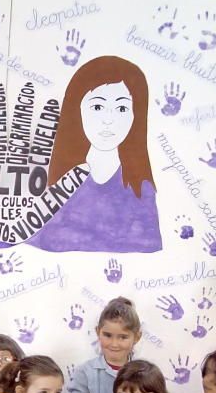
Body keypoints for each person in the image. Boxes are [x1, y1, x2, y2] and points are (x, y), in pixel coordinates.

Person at [30, 56, 162, 253]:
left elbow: (149, 248)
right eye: (98, 107)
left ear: (136, 114)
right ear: (77, 108)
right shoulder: (57, 181)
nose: (109, 119)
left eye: (122, 108)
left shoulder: (141, 187)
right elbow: (34, 238)